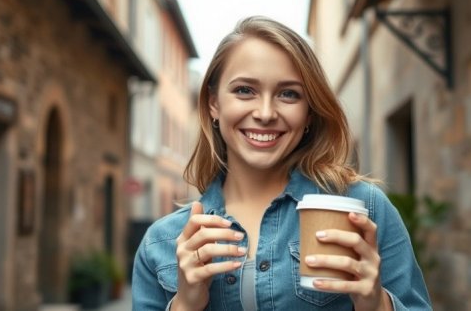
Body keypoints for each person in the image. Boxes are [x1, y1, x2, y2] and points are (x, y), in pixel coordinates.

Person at [132, 16, 432, 311]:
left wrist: (377, 304)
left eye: (288, 94)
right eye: (244, 90)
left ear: (309, 113)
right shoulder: (162, 242)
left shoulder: (363, 208)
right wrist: (185, 304)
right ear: (213, 104)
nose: (265, 113)